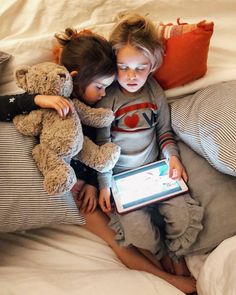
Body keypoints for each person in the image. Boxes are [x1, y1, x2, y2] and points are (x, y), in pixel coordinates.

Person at [0, 27, 195, 293]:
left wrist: (93, 183)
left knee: (136, 227)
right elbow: (5, 106)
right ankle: (168, 278)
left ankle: (169, 261)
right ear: (77, 78)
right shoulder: (52, 96)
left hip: (88, 184)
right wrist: (37, 99)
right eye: (101, 87)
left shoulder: (95, 107)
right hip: (62, 187)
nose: (105, 93)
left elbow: (100, 147)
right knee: (119, 241)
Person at [96, 14, 204, 293]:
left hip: (155, 169)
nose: (132, 76)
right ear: (113, 64)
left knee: (182, 219)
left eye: (140, 68)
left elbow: (165, 133)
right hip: (121, 177)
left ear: (152, 65)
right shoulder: (108, 98)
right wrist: (105, 184)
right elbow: (102, 147)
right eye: (123, 67)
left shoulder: (155, 92)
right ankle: (162, 259)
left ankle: (176, 254)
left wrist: (173, 158)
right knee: (139, 233)